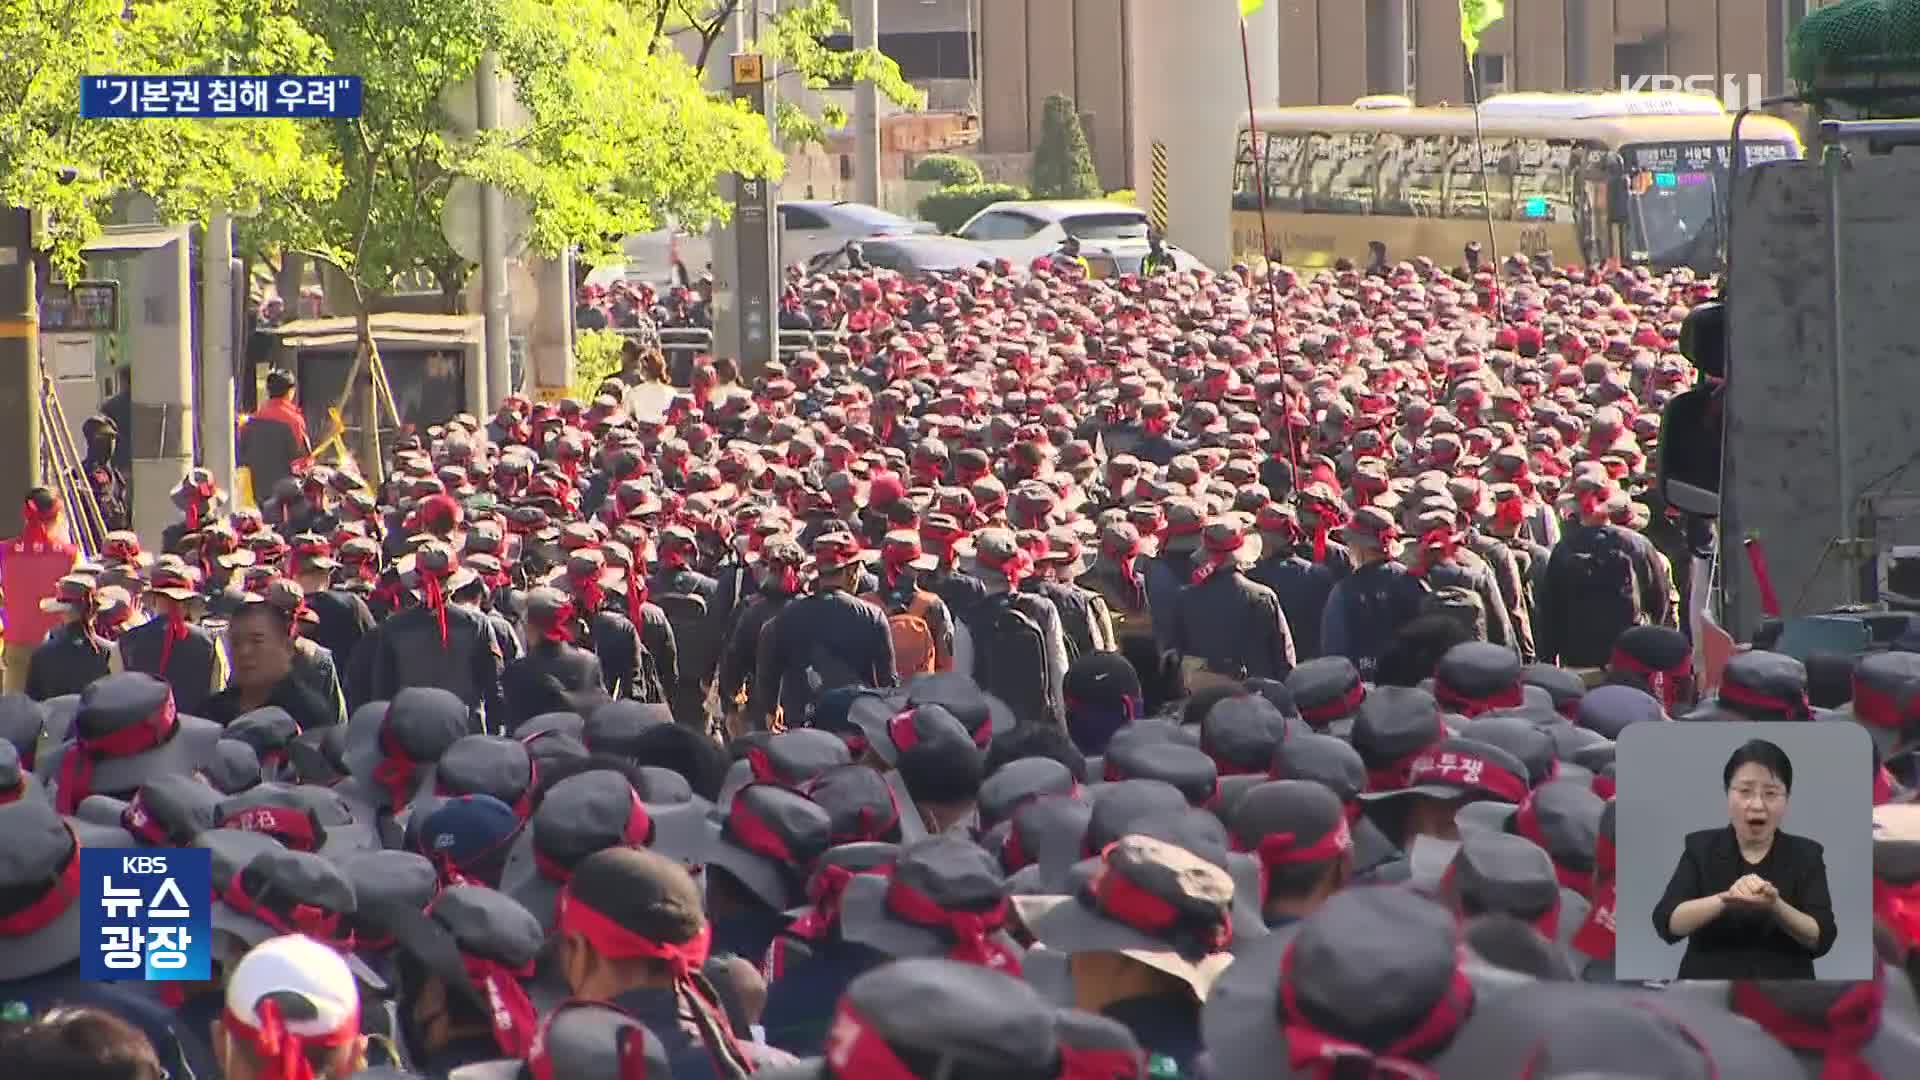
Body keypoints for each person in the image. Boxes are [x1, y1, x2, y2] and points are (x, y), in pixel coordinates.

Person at [1652, 739, 1838, 979]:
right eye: (1745, 791)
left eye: (1771, 793)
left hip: (1786, 995)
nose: (1757, 805)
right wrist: (1725, 900)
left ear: (1787, 798)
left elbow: (1821, 937)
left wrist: (1776, 906)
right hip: (1705, 992)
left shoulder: (1807, 854)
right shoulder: (1700, 848)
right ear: (1727, 794)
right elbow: (1668, 922)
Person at [202, 596, 342, 731]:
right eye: (236, 642)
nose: (244, 651)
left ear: (287, 647)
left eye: (257, 641)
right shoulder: (211, 713)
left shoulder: (309, 714)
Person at [239, 369, 311, 501]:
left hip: (257, 491)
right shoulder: (294, 421)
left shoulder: (253, 419)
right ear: (291, 391)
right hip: (286, 494)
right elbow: (302, 459)